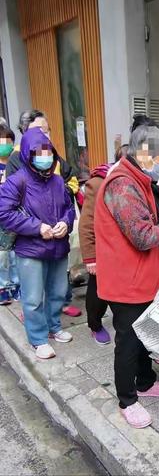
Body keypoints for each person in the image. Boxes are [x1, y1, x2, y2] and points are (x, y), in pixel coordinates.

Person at [95, 124, 159, 428]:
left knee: (143, 336)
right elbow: (141, 236)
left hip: (141, 276)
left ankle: (146, 382)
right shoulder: (122, 184)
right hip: (126, 281)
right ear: (145, 155)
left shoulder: (140, 181)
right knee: (128, 341)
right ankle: (127, 399)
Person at [0, 127, 75, 359]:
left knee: (58, 292)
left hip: (58, 246)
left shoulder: (58, 182)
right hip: (30, 249)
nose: (45, 158)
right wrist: (37, 227)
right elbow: (4, 213)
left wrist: (65, 222)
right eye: (38, 153)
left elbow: (69, 209)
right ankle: (38, 338)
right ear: (27, 154)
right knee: (33, 298)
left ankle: (54, 327)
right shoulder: (16, 181)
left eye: (48, 152)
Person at [7, 110, 82, 318]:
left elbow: (70, 182)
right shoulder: (17, 161)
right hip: (32, 239)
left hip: (57, 237)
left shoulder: (54, 159)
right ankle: (36, 325)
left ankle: (56, 317)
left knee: (57, 286)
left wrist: (65, 217)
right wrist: (37, 226)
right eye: (39, 130)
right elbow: (9, 206)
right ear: (25, 132)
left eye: (46, 131)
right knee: (34, 292)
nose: (44, 135)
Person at [79, 144, 128, 345]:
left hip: (123, 251)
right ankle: (95, 324)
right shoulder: (99, 183)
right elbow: (87, 222)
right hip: (102, 251)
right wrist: (90, 258)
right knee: (97, 291)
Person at [0, 121, 20, 303]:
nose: (5, 145)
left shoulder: (16, 163)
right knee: (2, 254)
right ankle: (3, 287)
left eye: (8, 141)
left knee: (15, 252)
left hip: (14, 214)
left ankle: (17, 285)